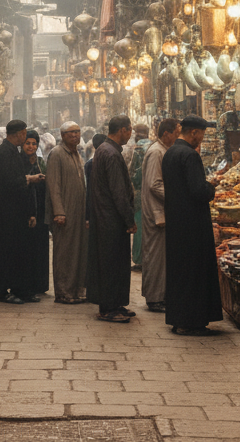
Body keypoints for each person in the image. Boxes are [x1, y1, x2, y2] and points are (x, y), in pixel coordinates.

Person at [163, 116, 222, 335]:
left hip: (177, 221)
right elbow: (198, 191)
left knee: (181, 272)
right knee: (194, 272)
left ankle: (180, 319)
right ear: (194, 133)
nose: (202, 140)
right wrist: (211, 187)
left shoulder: (170, 152)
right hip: (192, 223)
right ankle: (191, 321)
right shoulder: (189, 155)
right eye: (203, 135)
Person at [88, 115, 135, 323]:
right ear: (122, 130)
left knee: (115, 263)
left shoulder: (105, 150)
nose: (130, 133)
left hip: (107, 217)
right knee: (111, 263)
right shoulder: (111, 154)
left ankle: (116, 304)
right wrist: (129, 219)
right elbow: (118, 192)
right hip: (111, 219)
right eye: (129, 129)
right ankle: (108, 307)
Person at [0, 120, 40, 303]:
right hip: (5, 213)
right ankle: (1, 291)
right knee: (4, 253)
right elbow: (9, 182)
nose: (26, 137)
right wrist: (29, 179)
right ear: (17, 134)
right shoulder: (3, 153)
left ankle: (19, 289)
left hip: (15, 213)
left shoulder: (14, 152)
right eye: (24, 133)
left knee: (17, 252)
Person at [46, 122, 88, 304]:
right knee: (64, 253)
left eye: (77, 132)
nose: (75, 135)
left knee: (77, 252)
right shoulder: (57, 154)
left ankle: (76, 289)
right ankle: (63, 292)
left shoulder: (77, 153)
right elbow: (53, 185)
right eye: (71, 132)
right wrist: (59, 211)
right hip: (64, 212)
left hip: (78, 212)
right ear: (63, 135)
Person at [140, 119, 179, 313]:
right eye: (176, 133)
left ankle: (159, 295)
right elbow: (154, 184)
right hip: (156, 212)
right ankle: (155, 298)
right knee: (155, 256)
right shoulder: (157, 152)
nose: (178, 137)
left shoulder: (163, 150)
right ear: (166, 134)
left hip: (160, 211)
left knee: (160, 256)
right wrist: (179, 196)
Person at [23, 130, 50, 296]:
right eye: (28, 143)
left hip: (40, 212)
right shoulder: (19, 161)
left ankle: (40, 285)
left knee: (40, 248)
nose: (31, 146)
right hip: (25, 212)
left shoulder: (41, 162)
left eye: (34, 143)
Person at [127, 123, 150, 268]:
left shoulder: (139, 149)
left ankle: (139, 259)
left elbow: (134, 174)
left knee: (139, 227)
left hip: (141, 194)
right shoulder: (154, 146)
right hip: (153, 194)